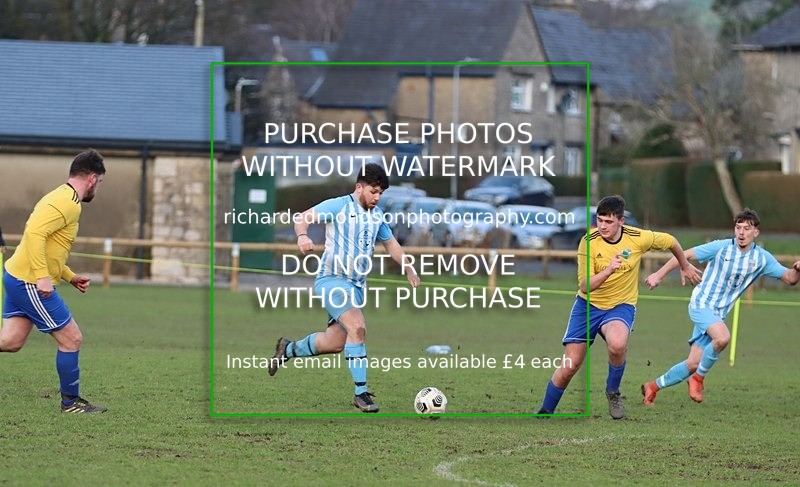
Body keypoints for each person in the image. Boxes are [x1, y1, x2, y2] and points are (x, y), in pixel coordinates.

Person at [268, 163, 420, 413]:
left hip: (356, 287)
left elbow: (391, 244)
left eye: (380, 193)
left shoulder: (377, 215)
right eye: (373, 191)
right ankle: (361, 394)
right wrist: (302, 236)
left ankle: (288, 348)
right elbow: (303, 218)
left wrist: (408, 267)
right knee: (357, 328)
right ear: (359, 187)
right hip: (332, 281)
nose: (377, 197)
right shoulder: (339, 205)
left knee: (336, 342)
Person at [535, 195, 701, 419]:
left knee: (617, 344)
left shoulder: (637, 238)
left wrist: (684, 264)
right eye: (599, 220)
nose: (602, 226)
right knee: (571, 365)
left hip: (620, 306)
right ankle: (546, 411)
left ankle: (612, 392)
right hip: (587, 305)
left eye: (608, 221)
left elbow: (671, 241)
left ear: (621, 221)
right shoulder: (588, 241)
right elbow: (584, 286)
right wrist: (608, 270)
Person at [642, 208, 800, 405]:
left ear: (756, 233)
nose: (741, 233)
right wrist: (659, 275)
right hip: (701, 304)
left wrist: (797, 269)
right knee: (723, 337)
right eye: (738, 227)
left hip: (717, 315)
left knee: (692, 363)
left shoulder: (762, 258)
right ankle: (698, 379)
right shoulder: (721, 247)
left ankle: (653, 387)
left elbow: (789, 278)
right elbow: (685, 254)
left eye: (747, 228)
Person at [1, 149, 107, 413]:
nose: (99, 188)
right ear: (92, 178)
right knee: (72, 339)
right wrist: (42, 277)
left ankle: (71, 402)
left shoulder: (63, 196)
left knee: (10, 342)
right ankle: (71, 403)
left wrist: (69, 276)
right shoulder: (67, 202)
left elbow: (50, 247)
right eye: (101, 183)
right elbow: (34, 233)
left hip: (17, 275)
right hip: (28, 281)